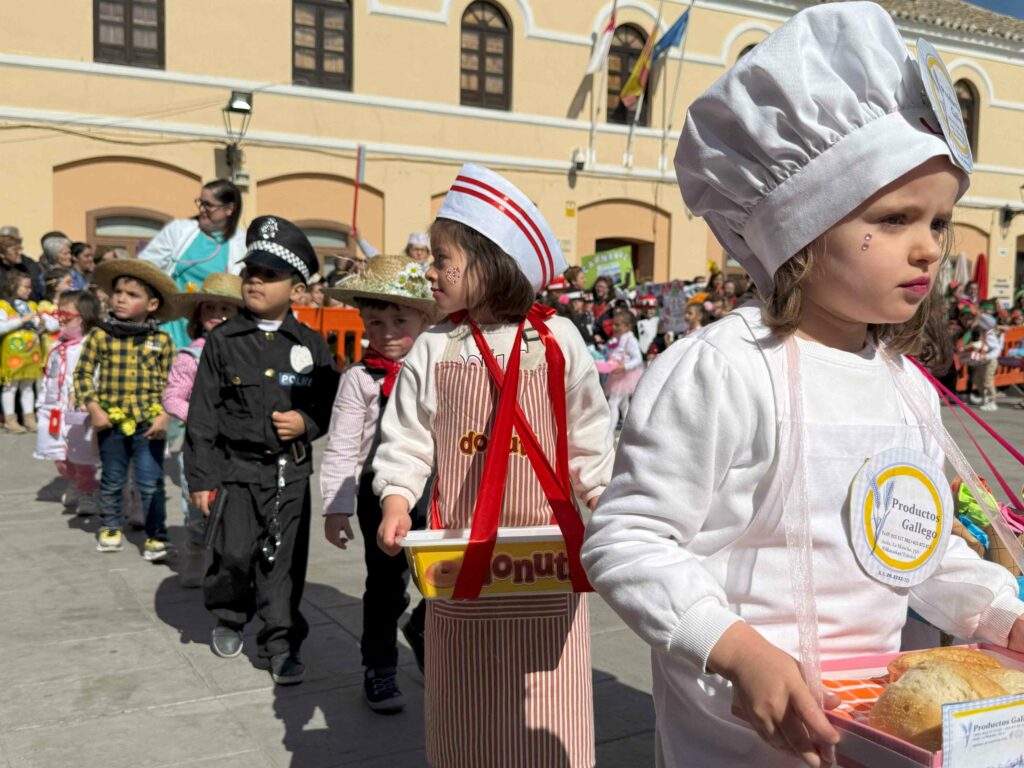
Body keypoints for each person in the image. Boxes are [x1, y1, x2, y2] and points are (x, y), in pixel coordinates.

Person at [581, 5, 1024, 767]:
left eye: (940, 222)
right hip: (736, 736)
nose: (928, 248)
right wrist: (738, 651)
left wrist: (997, 613)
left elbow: (910, 548)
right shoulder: (725, 369)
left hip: (876, 729)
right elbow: (630, 541)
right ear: (801, 231)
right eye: (894, 218)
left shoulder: (902, 386)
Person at [374, 164, 614, 767]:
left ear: (491, 262)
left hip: (546, 556)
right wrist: (398, 496)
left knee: (548, 689)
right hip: (460, 553)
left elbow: (588, 434)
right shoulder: (435, 346)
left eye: (442, 258)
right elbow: (407, 436)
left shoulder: (558, 340)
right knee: (464, 691)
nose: (429, 271)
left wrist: (608, 502)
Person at [185, 216, 339, 685]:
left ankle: (280, 642)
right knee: (232, 556)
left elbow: (330, 403)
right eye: (251, 271)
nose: (255, 280)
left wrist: (307, 423)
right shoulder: (223, 341)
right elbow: (203, 415)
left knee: (281, 564)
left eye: (269, 275)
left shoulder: (311, 346)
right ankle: (231, 614)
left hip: (286, 477)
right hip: (234, 471)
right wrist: (203, 479)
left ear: (295, 289)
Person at [320, 253, 436, 713]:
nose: (387, 332)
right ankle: (380, 666)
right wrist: (335, 506)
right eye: (375, 321)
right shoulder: (359, 379)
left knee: (442, 583)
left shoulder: (443, 367)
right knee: (386, 587)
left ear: (427, 318)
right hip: (377, 495)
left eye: (399, 319)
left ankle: (426, 633)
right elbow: (344, 446)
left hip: (438, 492)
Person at [75, 259, 177, 559]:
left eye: (132, 294)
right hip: (111, 422)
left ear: (152, 304)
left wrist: (165, 414)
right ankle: (110, 526)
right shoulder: (100, 335)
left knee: (150, 482)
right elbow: (81, 374)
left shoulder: (162, 340)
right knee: (112, 478)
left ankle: (157, 534)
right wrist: (94, 408)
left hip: (150, 424)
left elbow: (174, 383)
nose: (120, 298)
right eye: (118, 291)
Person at [162, 273, 243, 587]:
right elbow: (172, 396)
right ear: (198, 316)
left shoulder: (244, 353)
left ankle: (229, 560)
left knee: (235, 503)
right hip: (198, 444)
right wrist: (198, 417)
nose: (218, 315)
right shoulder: (191, 355)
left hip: (236, 445)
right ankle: (195, 553)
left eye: (227, 308)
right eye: (210, 308)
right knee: (197, 502)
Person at [139, 179, 246, 349]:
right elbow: (144, 268)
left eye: (209, 205)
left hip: (212, 330)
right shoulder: (179, 231)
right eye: (200, 203)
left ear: (229, 209)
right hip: (171, 326)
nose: (201, 209)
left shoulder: (242, 243)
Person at [34, 289, 102, 515]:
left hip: (78, 412)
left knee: (81, 455)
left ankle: (87, 491)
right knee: (58, 456)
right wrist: (42, 405)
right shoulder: (57, 345)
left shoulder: (89, 346)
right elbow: (49, 378)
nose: (59, 318)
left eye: (66, 314)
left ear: (84, 317)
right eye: (58, 312)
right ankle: (73, 481)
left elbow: (97, 376)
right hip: (54, 411)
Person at [0, 272, 55, 433]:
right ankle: (11, 420)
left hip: (32, 349)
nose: (29, 290)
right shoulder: (4, 305)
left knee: (28, 386)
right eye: (26, 286)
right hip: (13, 350)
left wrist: (42, 325)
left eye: (30, 287)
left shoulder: (32, 305)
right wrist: (21, 320)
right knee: (10, 385)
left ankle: (29, 418)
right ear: (13, 286)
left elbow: (40, 328)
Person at [604, 307, 643, 443]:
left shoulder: (630, 340)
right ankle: (629, 433)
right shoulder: (617, 337)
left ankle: (608, 434)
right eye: (613, 324)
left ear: (628, 325)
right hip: (616, 374)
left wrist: (625, 367)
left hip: (625, 376)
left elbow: (638, 358)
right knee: (624, 405)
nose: (614, 327)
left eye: (618, 325)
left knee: (612, 402)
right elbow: (615, 351)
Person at [962, 312, 1002, 412]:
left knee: (988, 382)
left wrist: (987, 356)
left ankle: (992, 402)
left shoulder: (990, 334)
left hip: (990, 361)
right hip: (982, 360)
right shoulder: (983, 332)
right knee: (977, 380)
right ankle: (985, 399)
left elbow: (996, 349)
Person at [0, 232, 45, 303]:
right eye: (15, 250)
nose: (19, 253)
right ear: (2, 254)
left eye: (19, 249)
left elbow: (35, 285)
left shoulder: (27, 264)